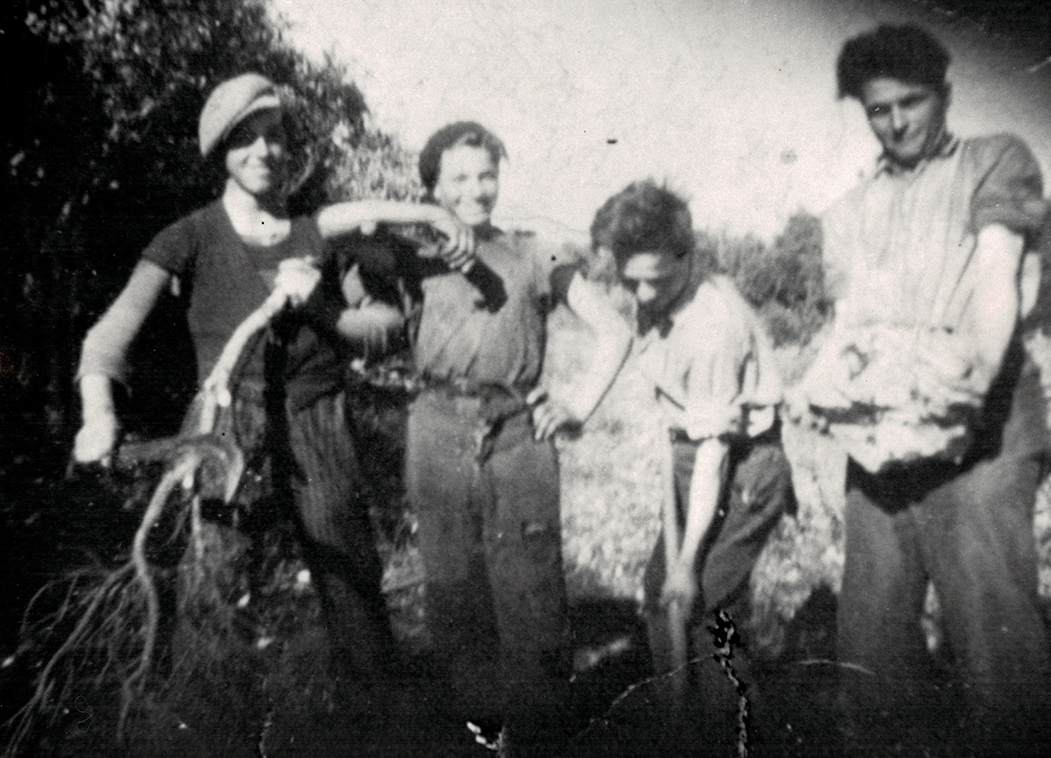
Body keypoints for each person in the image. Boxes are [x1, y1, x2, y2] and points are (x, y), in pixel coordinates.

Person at [72, 73, 475, 689]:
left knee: (352, 585)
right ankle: (209, 716)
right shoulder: (189, 237)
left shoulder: (315, 234)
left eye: (274, 136)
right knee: (215, 588)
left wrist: (424, 218)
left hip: (319, 420)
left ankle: (376, 715)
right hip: (223, 428)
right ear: (220, 151)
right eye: (244, 138)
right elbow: (107, 337)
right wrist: (98, 413)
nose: (263, 150)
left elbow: (376, 298)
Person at [798, 24, 1051, 754]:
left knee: (992, 624)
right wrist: (823, 395)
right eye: (878, 110)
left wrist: (964, 384)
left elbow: (998, 280)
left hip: (984, 419)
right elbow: (849, 326)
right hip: (884, 430)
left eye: (911, 102)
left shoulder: (994, 159)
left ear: (945, 95)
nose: (897, 122)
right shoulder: (851, 208)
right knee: (871, 636)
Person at [399, 121, 631, 753]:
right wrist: (428, 221)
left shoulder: (535, 253)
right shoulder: (411, 255)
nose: (476, 190)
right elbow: (329, 233)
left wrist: (578, 403)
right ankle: (477, 734)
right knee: (454, 592)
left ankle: (539, 737)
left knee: (532, 592)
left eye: (486, 175)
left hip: (518, 438)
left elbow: (614, 329)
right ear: (433, 189)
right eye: (458, 179)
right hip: (438, 433)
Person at [589, 180, 792, 749]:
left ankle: (734, 737)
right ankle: (681, 728)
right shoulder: (658, 291)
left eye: (657, 280)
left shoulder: (712, 326)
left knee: (699, 605)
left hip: (740, 468)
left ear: (687, 257)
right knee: (663, 594)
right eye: (631, 281)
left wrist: (686, 561)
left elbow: (715, 453)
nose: (643, 294)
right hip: (696, 455)